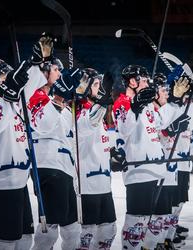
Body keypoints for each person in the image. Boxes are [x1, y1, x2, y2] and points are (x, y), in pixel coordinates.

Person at [0, 34, 54, 250]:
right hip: (1, 183)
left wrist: (37, 64)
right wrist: (10, 94)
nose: (9, 78)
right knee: (6, 241)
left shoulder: (13, 100)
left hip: (18, 182)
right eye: (4, 76)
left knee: (25, 238)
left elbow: (27, 86)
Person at [112, 65, 190, 250]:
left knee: (150, 222)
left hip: (155, 170)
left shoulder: (147, 104)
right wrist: (135, 106)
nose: (148, 84)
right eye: (145, 80)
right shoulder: (122, 102)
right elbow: (124, 129)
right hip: (138, 171)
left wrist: (175, 101)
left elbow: (159, 123)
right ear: (133, 81)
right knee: (136, 223)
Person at [28, 59, 88, 250]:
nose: (59, 73)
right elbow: (43, 125)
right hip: (48, 165)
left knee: (72, 227)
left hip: (63, 167)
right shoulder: (34, 95)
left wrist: (76, 98)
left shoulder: (53, 98)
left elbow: (67, 129)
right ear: (44, 72)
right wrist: (60, 98)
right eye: (55, 69)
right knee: (51, 226)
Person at [76, 69, 117, 250]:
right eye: (95, 84)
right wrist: (104, 99)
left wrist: (113, 156)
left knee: (109, 230)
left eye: (100, 84)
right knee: (87, 233)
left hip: (103, 183)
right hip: (86, 185)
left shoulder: (99, 115)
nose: (99, 88)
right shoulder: (78, 112)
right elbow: (90, 121)